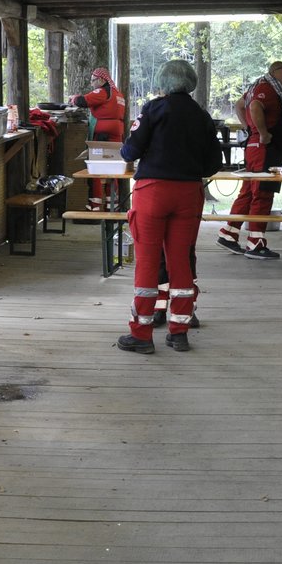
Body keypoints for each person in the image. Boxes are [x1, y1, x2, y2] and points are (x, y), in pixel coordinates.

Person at [116, 59, 222, 354]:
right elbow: (214, 163)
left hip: (153, 192)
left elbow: (131, 150)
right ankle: (179, 332)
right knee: (181, 261)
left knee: (148, 262)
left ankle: (141, 333)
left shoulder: (152, 109)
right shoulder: (202, 116)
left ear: (163, 83)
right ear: (190, 83)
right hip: (188, 193)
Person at [218, 60, 282, 260]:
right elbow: (255, 107)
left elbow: (240, 105)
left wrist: (247, 129)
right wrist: (262, 132)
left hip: (253, 147)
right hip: (264, 148)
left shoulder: (255, 88)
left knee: (248, 192)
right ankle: (255, 242)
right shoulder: (266, 90)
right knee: (262, 192)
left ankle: (229, 233)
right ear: (275, 72)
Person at [71, 67, 127, 211]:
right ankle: (112, 204)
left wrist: (74, 98)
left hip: (102, 136)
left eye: (93, 80)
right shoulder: (118, 94)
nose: (92, 84)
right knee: (113, 168)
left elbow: (83, 101)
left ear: (102, 80)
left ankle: (95, 204)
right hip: (116, 134)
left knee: (96, 167)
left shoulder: (103, 91)